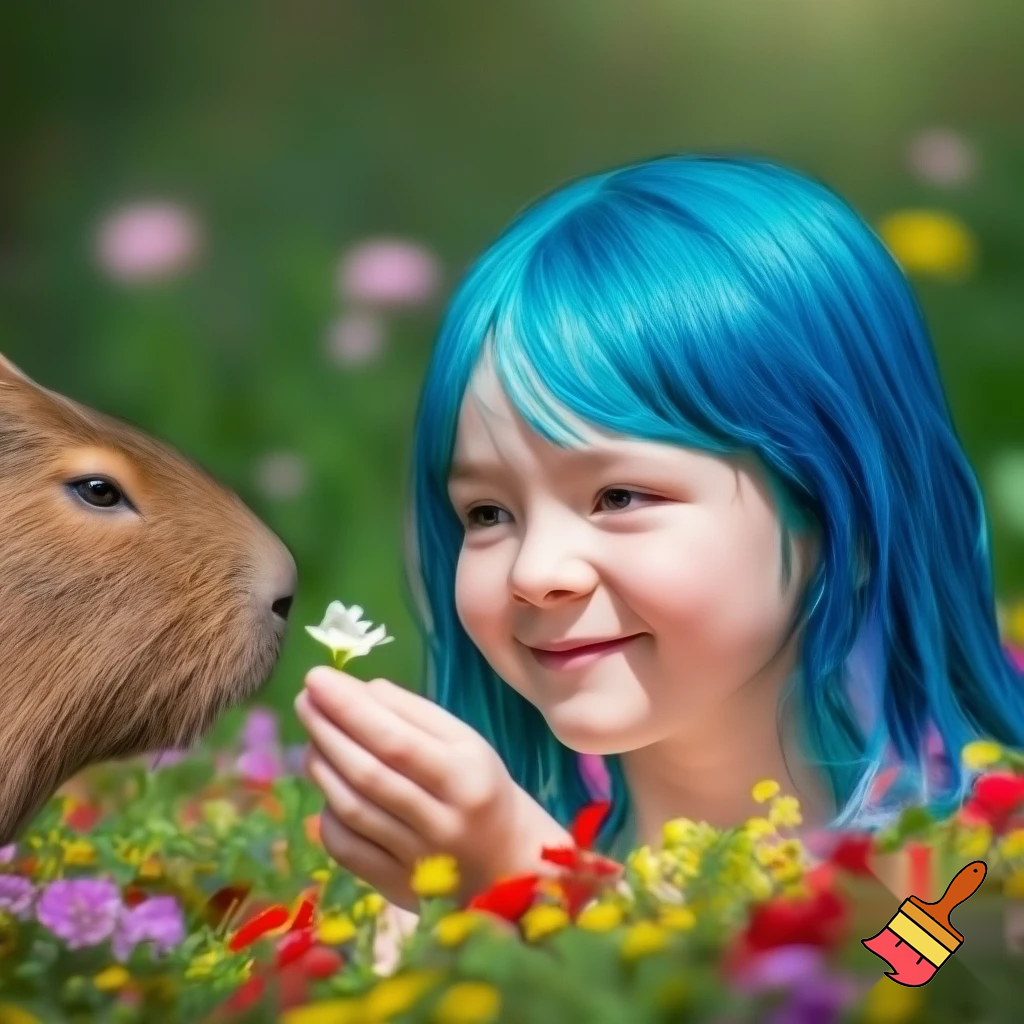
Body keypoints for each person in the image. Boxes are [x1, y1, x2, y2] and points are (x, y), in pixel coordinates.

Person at [295, 152, 1024, 914]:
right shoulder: (430, 898)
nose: (535, 572)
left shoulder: (968, 881)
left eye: (619, 496)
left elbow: (884, 977)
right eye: (487, 513)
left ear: (846, 518)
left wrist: (531, 897)